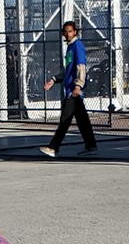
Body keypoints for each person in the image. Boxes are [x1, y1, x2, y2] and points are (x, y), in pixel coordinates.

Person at [40, 21, 98, 157]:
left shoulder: (78, 46)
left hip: (74, 90)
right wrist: (54, 80)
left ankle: (53, 147)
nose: (68, 34)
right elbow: (68, 70)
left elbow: (81, 66)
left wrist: (78, 85)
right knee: (82, 120)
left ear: (75, 32)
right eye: (65, 32)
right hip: (71, 89)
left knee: (65, 120)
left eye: (70, 31)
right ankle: (91, 146)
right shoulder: (70, 47)